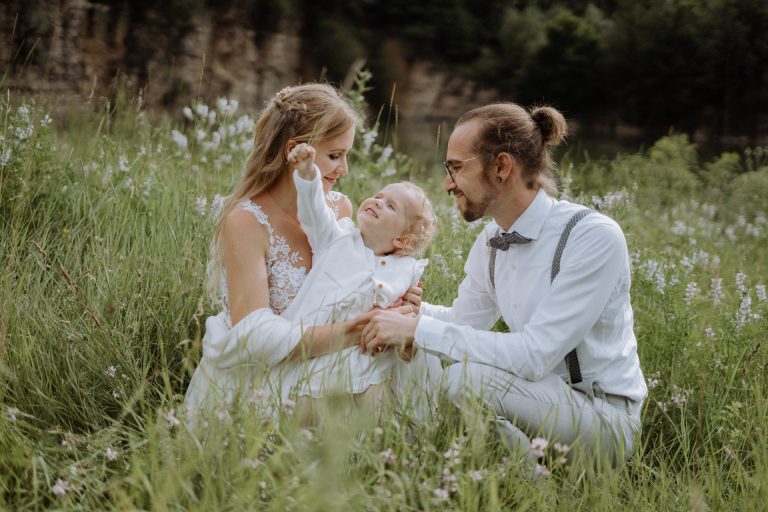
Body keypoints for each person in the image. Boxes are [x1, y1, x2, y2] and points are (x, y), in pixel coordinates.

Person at [359, 103, 647, 464]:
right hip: (536, 401)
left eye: (456, 168)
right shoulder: (492, 242)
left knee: (461, 380)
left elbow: (534, 355)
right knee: (435, 372)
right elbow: (464, 322)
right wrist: (407, 310)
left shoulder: (592, 237)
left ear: (501, 167)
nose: (448, 184)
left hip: (603, 419)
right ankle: (520, 478)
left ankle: (527, 483)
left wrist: (417, 329)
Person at [184, 83, 429, 426]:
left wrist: (396, 301)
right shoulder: (246, 221)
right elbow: (254, 337)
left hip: (326, 363)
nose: (344, 169)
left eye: (346, 156)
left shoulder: (338, 206)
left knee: (408, 357)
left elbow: (355, 278)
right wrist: (353, 331)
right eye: (334, 155)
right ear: (296, 152)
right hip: (261, 370)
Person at [279, 142, 435, 401]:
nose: (377, 201)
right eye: (379, 196)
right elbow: (314, 211)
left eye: (391, 206)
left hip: (368, 356)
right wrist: (308, 175)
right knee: (309, 396)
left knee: (376, 400)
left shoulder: (407, 269)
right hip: (322, 345)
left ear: (402, 241)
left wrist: (408, 316)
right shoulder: (336, 236)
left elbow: (407, 313)